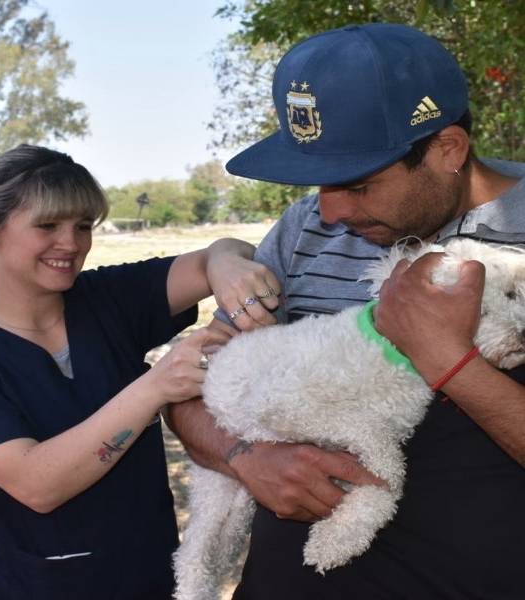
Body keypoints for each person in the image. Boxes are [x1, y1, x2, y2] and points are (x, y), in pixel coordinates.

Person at [167, 23, 525, 599]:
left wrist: (447, 361)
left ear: (448, 149)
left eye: (356, 185)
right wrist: (244, 457)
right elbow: (190, 389)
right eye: (317, 184)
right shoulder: (302, 230)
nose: (328, 212)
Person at [0, 144, 281, 599]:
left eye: (82, 226)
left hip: (146, 578)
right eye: (47, 225)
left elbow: (216, 256)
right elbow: (37, 483)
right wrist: (156, 386)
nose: (71, 244)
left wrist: (225, 261)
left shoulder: (104, 299)